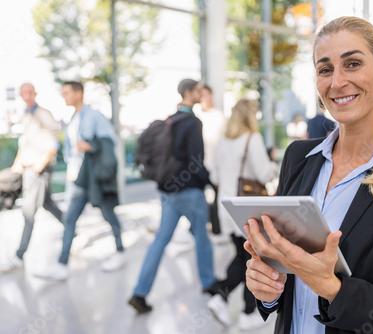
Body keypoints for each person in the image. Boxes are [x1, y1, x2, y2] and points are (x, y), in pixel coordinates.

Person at [243, 17, 373, 334]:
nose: (337, 82)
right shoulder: (298, 158)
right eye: (325, 69)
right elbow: (288, 285)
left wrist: (331, 287)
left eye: (352, 64)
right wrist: (269, 289)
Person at [128, 79, 215, 314]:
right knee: (202, 238)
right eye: (197, 90)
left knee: (160, 241)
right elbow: (196, 162)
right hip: (188, 192)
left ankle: (139, 292)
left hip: (168, 192)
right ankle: (209, 285)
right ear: (188, 93)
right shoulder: (193, 123)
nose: (201, 94)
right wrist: (211, 182)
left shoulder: (170, 121)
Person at [37, 81, 125, 280]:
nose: (64, 96)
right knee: (70, 219)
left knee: (108, 213)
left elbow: (109, 143)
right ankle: (62, 264)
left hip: (93, 178)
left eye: (67, 92)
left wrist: (91, 146)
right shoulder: (73, 118)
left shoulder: (94, 116)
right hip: (77, 179)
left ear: (79, 93)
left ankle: (120, 251)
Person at [205, 99, 277, 330]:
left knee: (242, 255)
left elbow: (214, 177)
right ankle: (243, 310)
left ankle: (223, 298)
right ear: (250, 116)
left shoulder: (223, 141)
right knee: (252, 259)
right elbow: (265, 174)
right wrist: (274, 164)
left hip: (225, 206)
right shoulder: (251, 138)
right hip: (247, 208)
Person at [1, 83, 63, 273]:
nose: (26, 96)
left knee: (28, 211)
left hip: (38, 171)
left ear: (35, 93)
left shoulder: (42, 114)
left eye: (29, 92)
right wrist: (17, 165)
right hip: (28, 169)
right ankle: (71, 229)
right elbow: (26, 144)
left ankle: (19, 255)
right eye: (23, 93)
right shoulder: (26, 115)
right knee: (48, 204)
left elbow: (53, 144)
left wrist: (38, 166)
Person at [195, 84, 227, 238]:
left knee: (217, 198)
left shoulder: (219, 117)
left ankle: (217, 230)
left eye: (207, 95)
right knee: (199, 200)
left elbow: (224, 143)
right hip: (198, 166)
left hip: (217, 165)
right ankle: (198, 229)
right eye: (202, 95)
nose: (205, 99)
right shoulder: (196, 117)